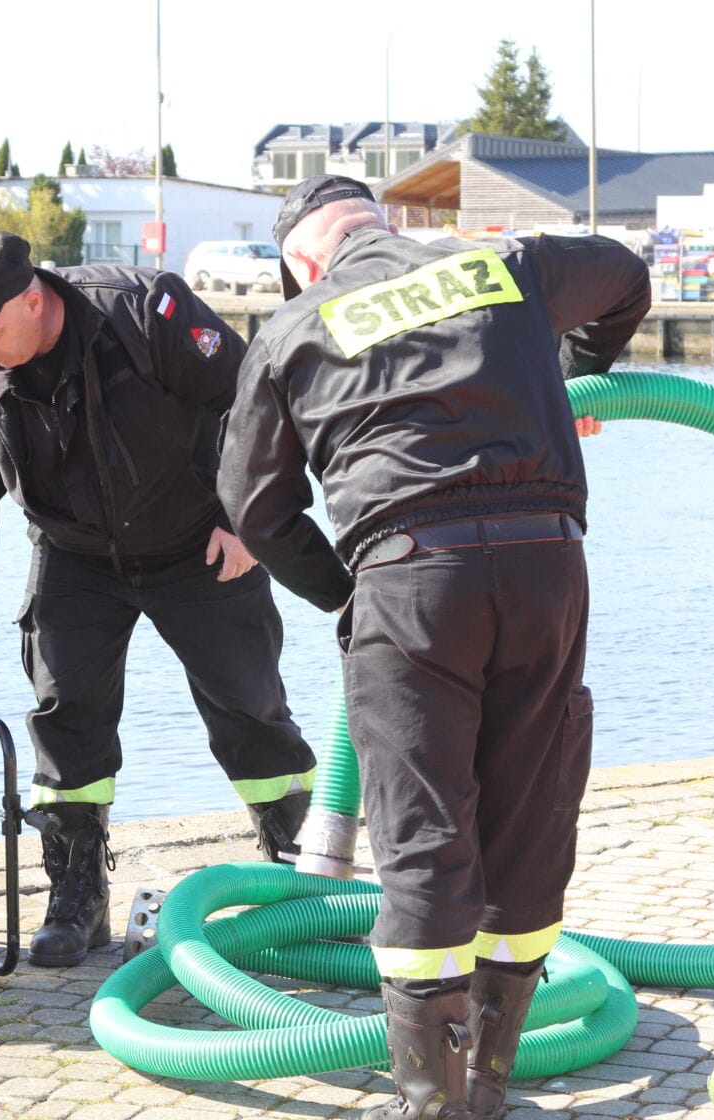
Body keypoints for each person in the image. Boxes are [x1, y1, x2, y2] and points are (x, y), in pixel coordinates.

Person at [218, 176, 650, 1120]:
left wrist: (348, 589)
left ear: (301, 262)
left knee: (422, 838)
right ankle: (489, 1085)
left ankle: (432, 1105)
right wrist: (580, 372)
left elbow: (252, 506)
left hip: (412, 581)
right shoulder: (504, 262)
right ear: (383, 223)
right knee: (529, 821)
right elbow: (626, 273)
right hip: (547, 564)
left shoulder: (293, 331)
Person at [0, 231, 316, 968]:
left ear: (33, 301)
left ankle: (300, 878)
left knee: (248, 706)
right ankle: (76, 895)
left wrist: (245, 522)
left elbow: (257, 402)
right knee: (65, 716)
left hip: (200, 544)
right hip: (73, 555)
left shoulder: (144, 312)